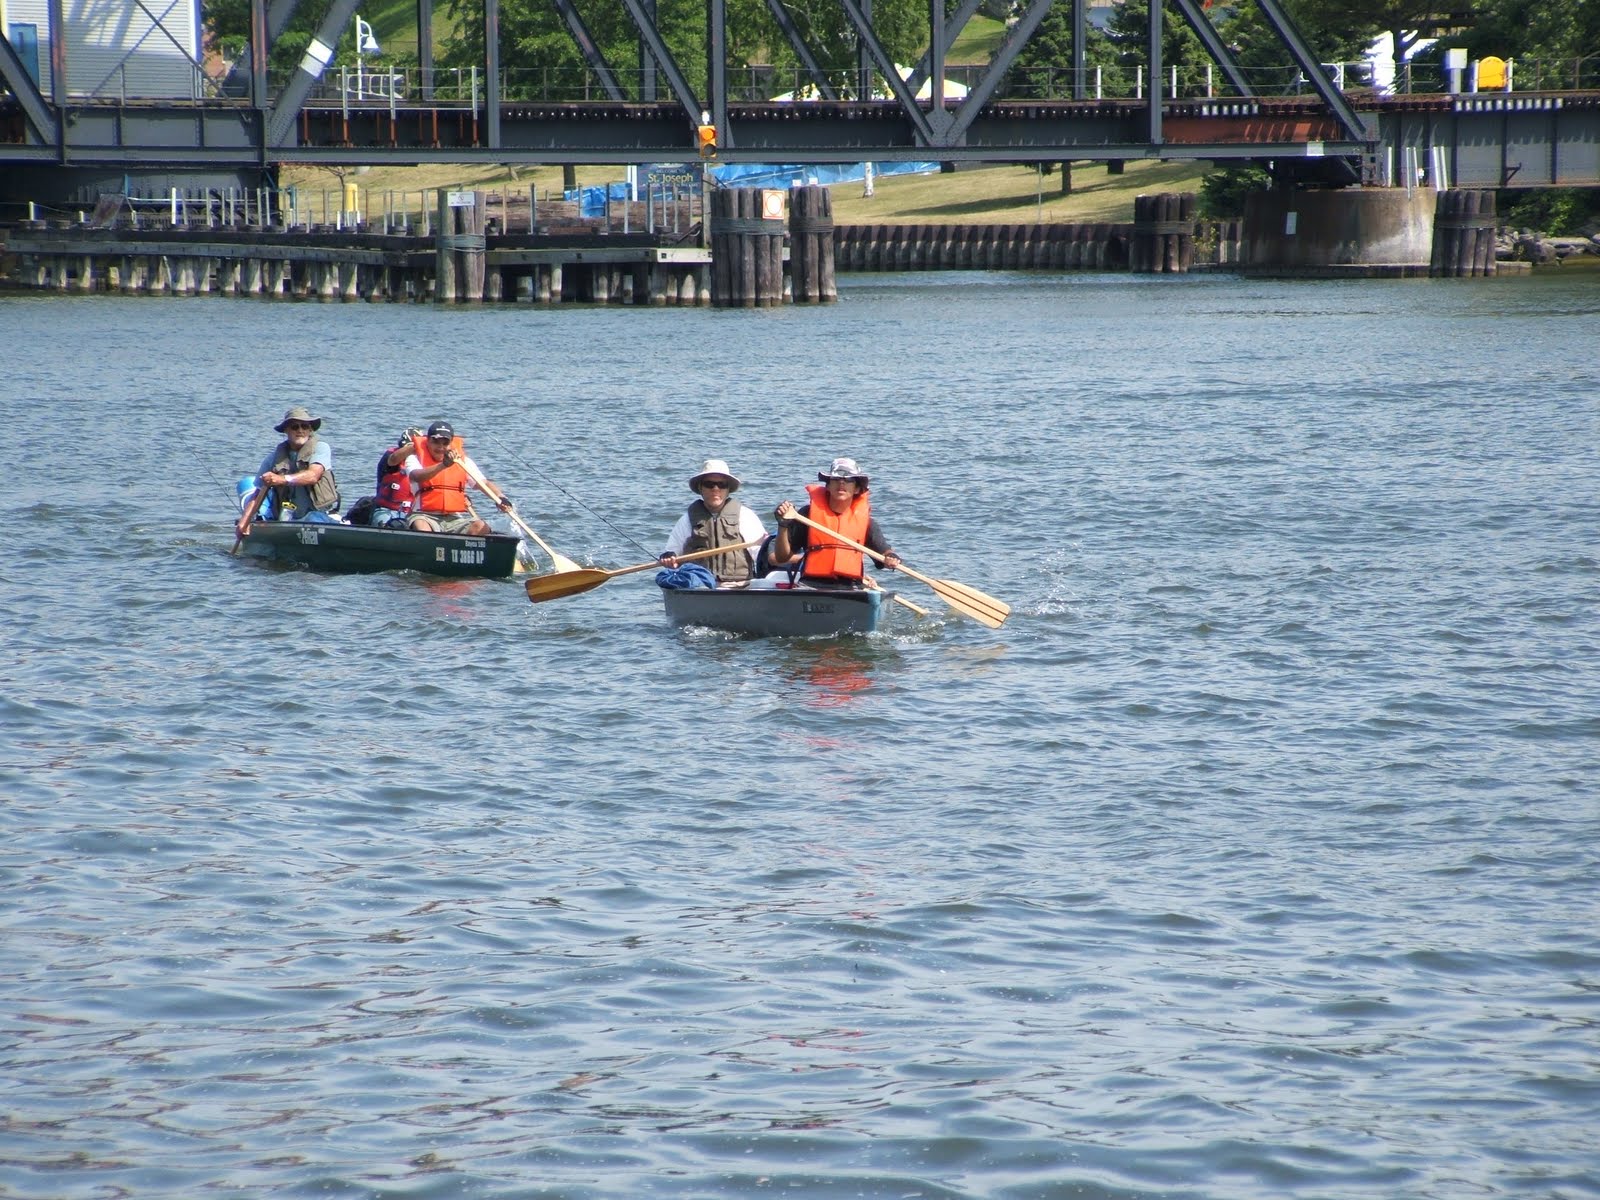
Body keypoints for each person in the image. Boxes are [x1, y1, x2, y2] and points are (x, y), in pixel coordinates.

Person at [770, 456, 901, 587]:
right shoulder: (807, 515)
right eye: (836, 479)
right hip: (812, 585)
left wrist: (891, 558)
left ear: (856, 489)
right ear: (828, 486)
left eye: (848, 480)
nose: (841, 483)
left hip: (850, 586)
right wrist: (783, 526)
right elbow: (782, 557)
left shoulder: (867, 523)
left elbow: (885, 553)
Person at [658, 458, 770, 584]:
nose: (715, 489)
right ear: (700, 488)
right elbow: (672, 552)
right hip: (700, 587)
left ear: (728, 489)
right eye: (709, 484)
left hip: (739, 586)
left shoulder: (745, 516)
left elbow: (761, 554)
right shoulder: (687, 520)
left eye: (722, 485)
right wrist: (669, 559)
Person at [236, 406, 340, 539]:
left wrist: (282, 479)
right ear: (286, 430)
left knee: (314, 519)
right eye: (295, 427)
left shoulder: (321, 448)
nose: (300, 430)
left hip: (317, 515)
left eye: (304, 426)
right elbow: (258, 492)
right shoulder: (274, 458)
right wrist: (244, 521)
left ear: (310, 430)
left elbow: (313, 475)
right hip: (287, 519)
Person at [402, 420, 512, 536]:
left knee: (480, 526)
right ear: (428, 441)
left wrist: (500, 497)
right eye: (436, 442)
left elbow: (483, 483)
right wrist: (443, 465)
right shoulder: (414, 458)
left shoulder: (463, 461)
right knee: (422, 527)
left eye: (445, 443)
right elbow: (417, 477)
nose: (440, 447)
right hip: (423, 515)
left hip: (453, 518)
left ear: (451, 444)